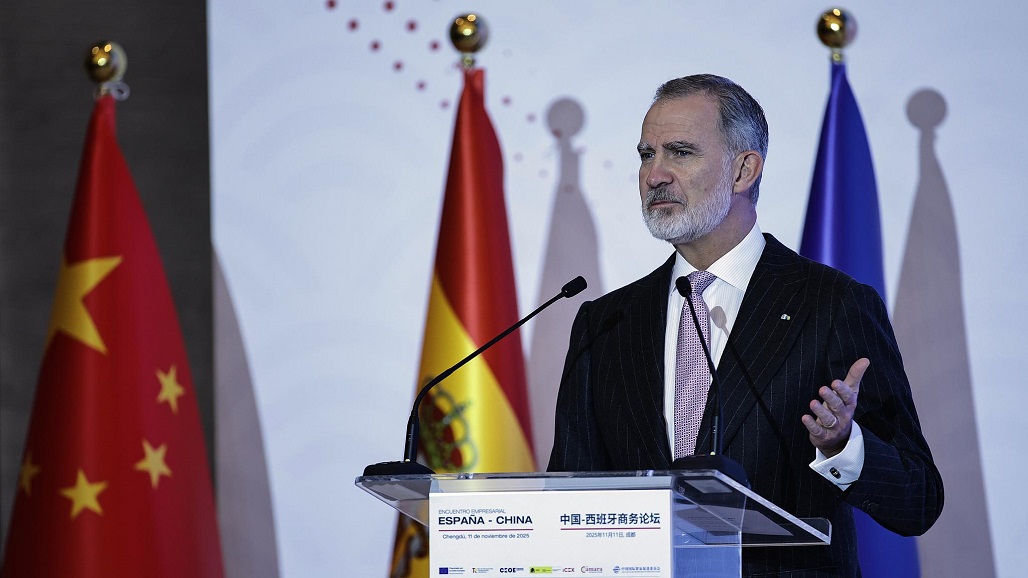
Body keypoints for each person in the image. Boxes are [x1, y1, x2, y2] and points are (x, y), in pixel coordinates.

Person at [547, 74, 943, 577]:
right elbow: (570, 501)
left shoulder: (832, 304)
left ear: (744, 170)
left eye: (680, 152)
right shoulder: (605, 323)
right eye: (646, 154)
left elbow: (919, 499)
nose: (655, 174)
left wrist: (844, 445)